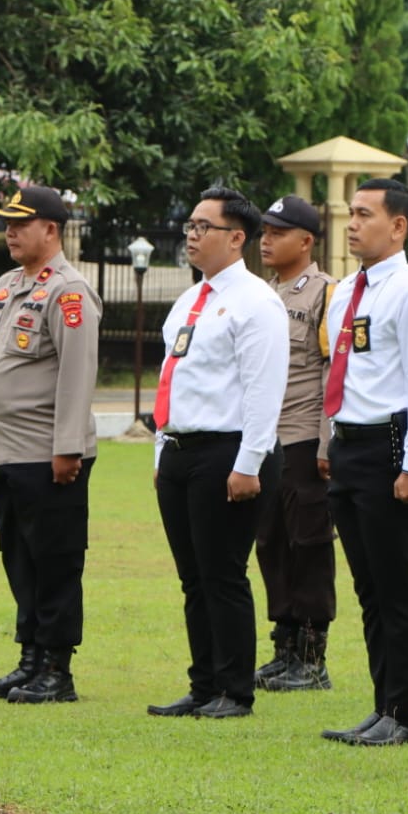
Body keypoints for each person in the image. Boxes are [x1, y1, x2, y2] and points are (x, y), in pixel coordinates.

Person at [147, 188, 288, 720]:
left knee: (224, 573)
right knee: (193, 576)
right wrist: (162, 452)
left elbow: (262, 389)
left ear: (237, 238)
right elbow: (172, 379)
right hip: (183, 448)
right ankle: (203, 682)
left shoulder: (255, 301)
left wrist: (248, 463)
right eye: (189, 224)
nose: (191, 234)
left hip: (229, 451)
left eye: (204, 226)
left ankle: (234, 689)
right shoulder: (190, 300)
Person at [318, 178, 408, 747]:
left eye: (364, 214)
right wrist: (329, 442)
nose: (351, 223)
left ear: (398, 226)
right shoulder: (346, 289)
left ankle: (404, 712)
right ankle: (381, 703)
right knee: (368, 584)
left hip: (391, 445)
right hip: (349, 442)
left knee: (396, 584)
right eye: (350, 213)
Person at [0, 186, 101, 705]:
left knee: (55, 561)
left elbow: (76, 374)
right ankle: (29, 660)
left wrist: (67, 447)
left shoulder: (69, 292)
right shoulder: (7, 285)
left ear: (51, 229)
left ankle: (56, 670)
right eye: (7, 222)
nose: (10, 231)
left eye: (21, 223)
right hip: (7, 453)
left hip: (48, 455)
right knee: (19, 558)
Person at [253, 195, 338, 692]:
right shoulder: (263, 293)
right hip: (265, 439)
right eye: (263, 231)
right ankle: (284, 647)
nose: (266, 240)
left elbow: (332, 370)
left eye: (277, 232)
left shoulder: (326, 294)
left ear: (305, 241)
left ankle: (311, 655)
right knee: (271, 543)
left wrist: (328, 441)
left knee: (308, 545)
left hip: (305, 435)